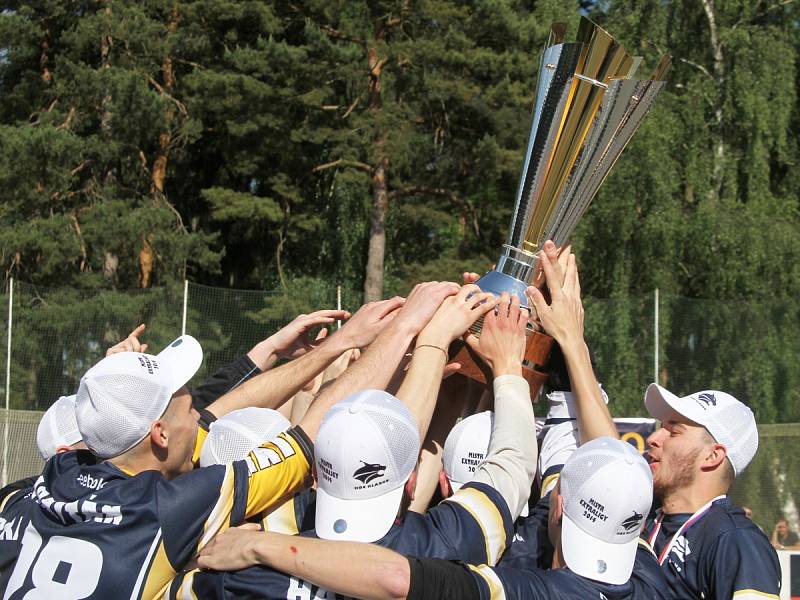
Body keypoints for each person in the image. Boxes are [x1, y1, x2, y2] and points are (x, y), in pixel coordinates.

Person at [0, 284, 453, 599]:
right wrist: (407, 329)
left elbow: (221, 411)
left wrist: (335, 347)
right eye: (185, 402)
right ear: (159, 435)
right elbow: (306, 435)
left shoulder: (39, 484)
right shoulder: (176, 506)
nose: (200, 409)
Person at [176, 288, 538, 599]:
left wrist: (426, 345)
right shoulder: (442, 546)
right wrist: (504, 365)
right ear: (412, 479)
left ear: (311, 471)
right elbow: (514, 462)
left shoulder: (233, 571)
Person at [197, 436, 669, 600]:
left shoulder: (537, 591)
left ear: (560, 506)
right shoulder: (652, 579)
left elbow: (397, 578)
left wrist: (262, 546)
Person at [642, 384, 781, 598]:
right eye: (661, 426)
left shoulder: (737, 542)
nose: (653, 438)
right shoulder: (643, 513)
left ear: (712, 456)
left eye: (674, 431)